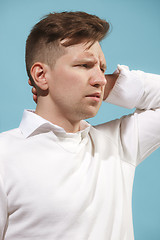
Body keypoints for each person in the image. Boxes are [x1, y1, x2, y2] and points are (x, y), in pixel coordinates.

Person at [0, 11, 160, 240]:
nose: (100, 78)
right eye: (84, 65)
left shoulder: (119, 144)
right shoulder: (3, 156)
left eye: (102, 69)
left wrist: (106, 85)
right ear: (41, 75)